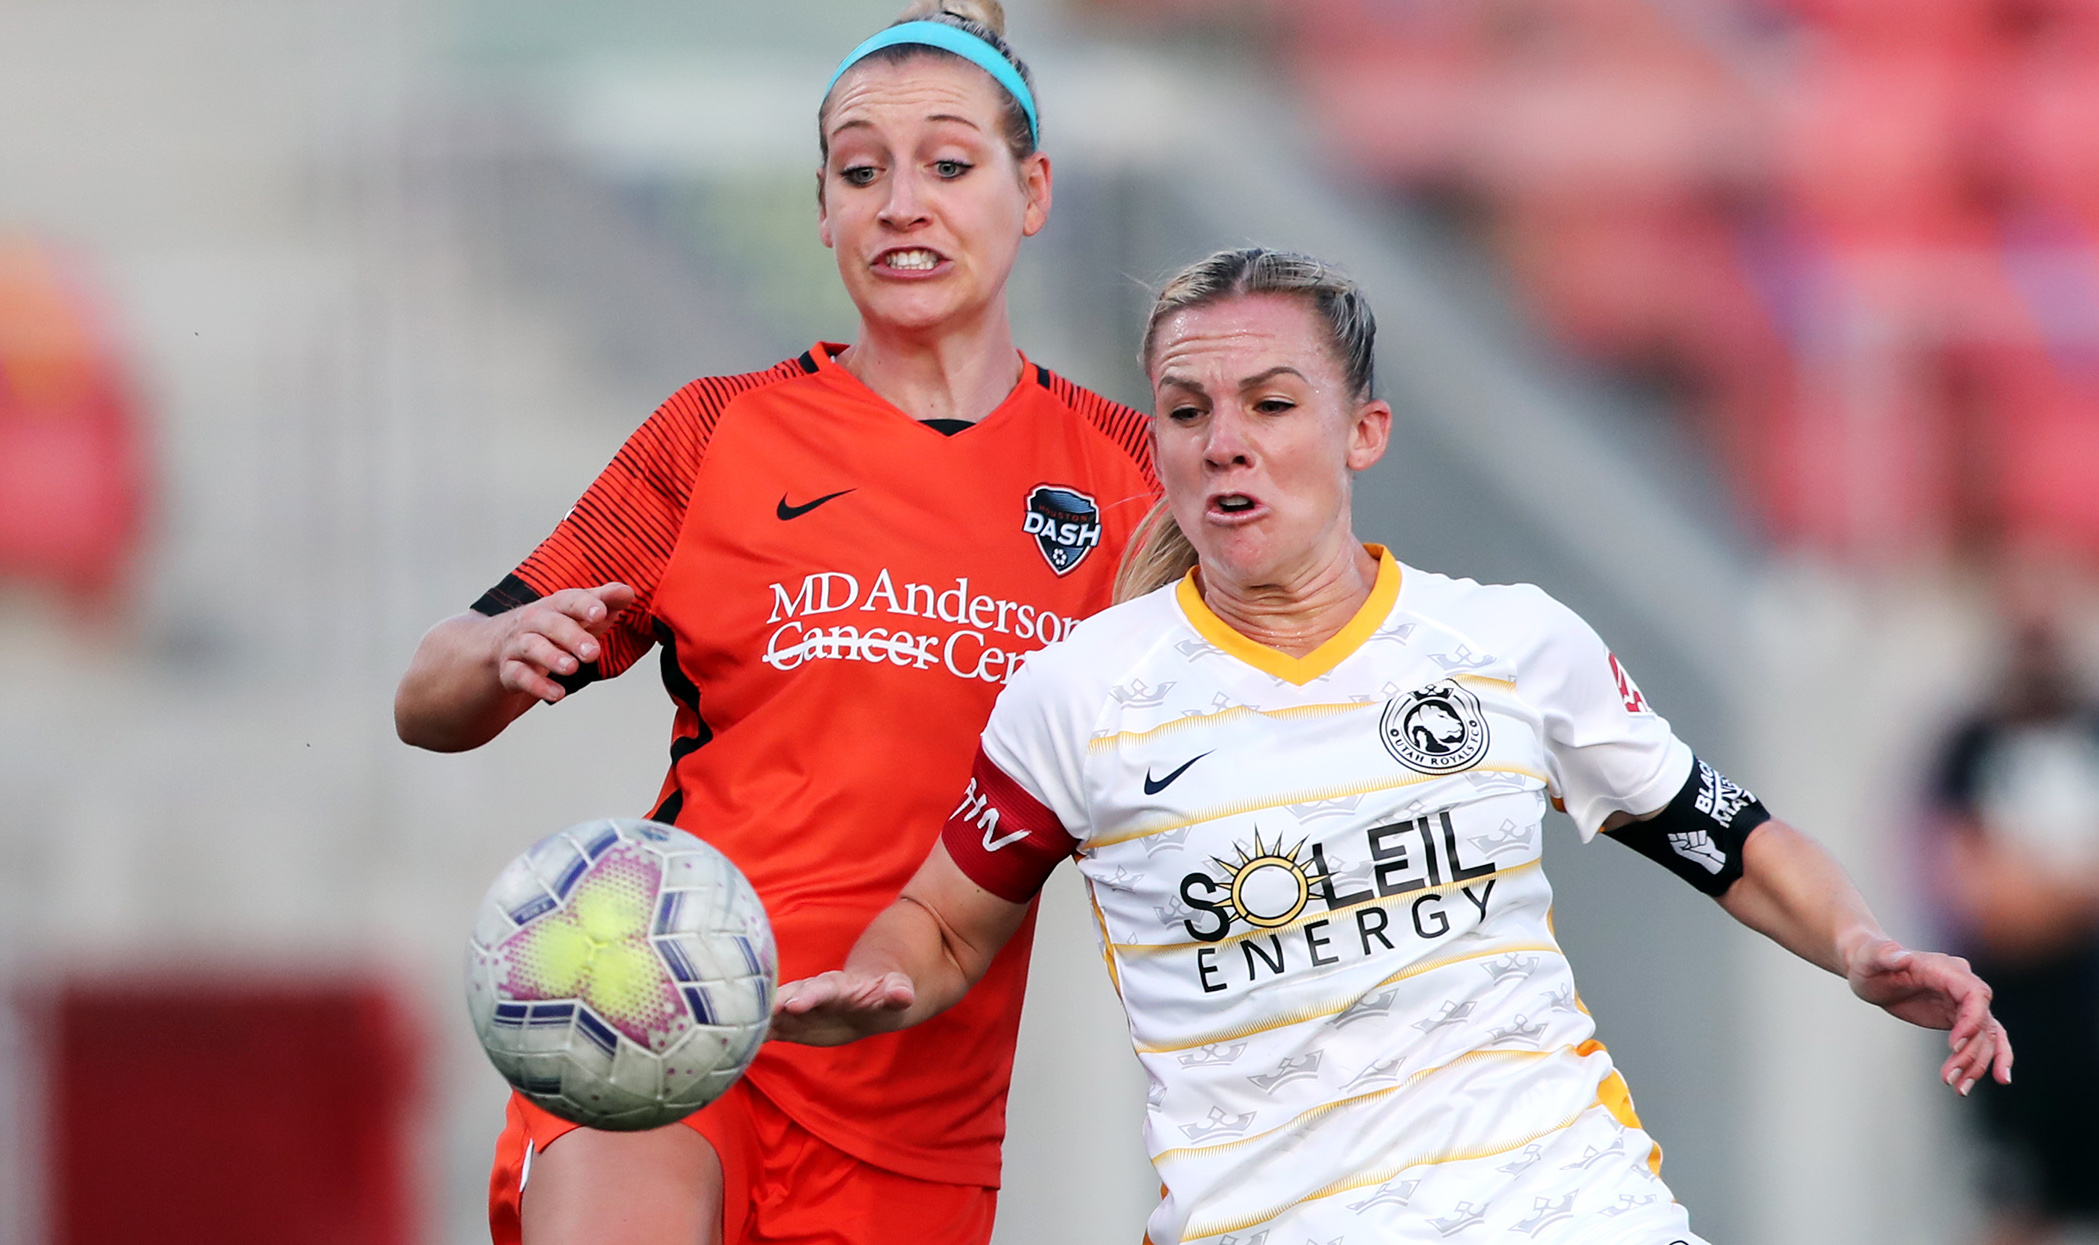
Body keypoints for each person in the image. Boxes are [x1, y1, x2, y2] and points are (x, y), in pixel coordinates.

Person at [773, 248, 2014, 1244]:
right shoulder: (1081, 694)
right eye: (1187, 411)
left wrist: (1858, 947)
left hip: (1565, 1206)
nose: (1225, 442)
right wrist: (873, 985)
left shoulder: (1506, 644)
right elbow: (940, 926)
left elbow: (1721, 836)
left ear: (1363, 432)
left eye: (1270, 405)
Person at [393, 5, 1157, 1243]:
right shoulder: (715, 435)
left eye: (949, 166)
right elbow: (425, 703)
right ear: (821, 208)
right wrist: (485, 656)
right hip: (652, 1010)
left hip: (916, 1095)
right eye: (861, 172)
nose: (901, 202)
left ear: (1033, 190)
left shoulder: (1125, 481)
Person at [1929, 612, 2099, 1243]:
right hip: (2013, 1030)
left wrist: (2038, 891)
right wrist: (2073, 892)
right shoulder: (1970, 748)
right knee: (2016, 1211)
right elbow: (1992, 908)